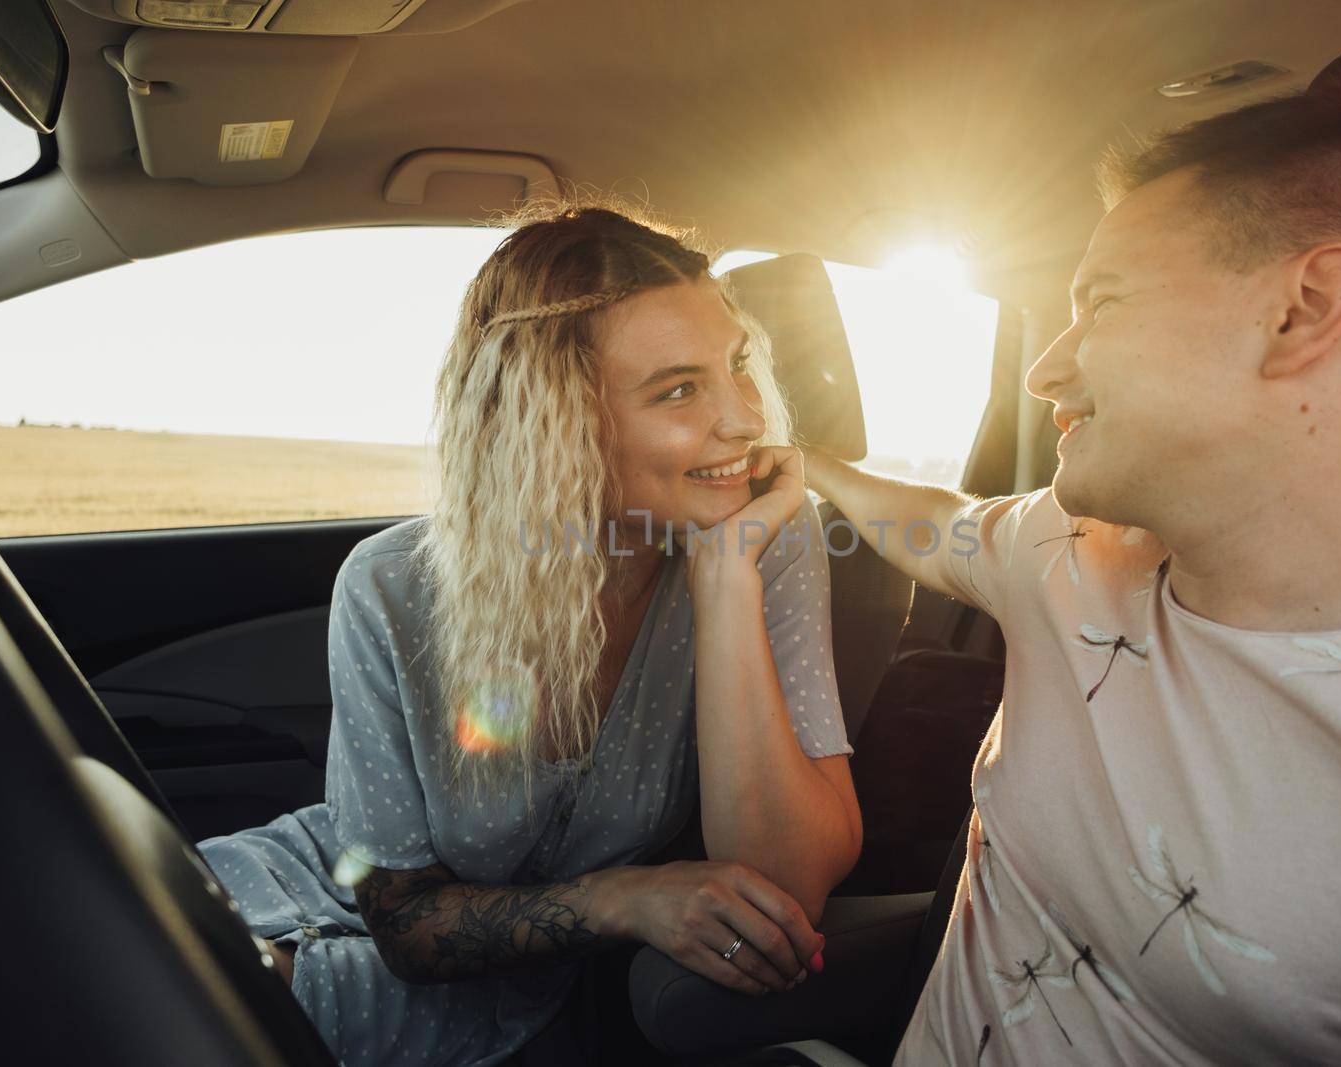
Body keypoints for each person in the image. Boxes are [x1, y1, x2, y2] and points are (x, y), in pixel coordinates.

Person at [806, 89, 1341, 1063]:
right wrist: (801, 462)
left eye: (1101, 302)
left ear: (1302, 309)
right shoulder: (1069, 551)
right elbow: (932, 525)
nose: (1045, 371)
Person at [198, 205, 862, 1066]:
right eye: (679, 389)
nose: (743, 419)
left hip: (513, 981)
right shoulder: (390, 586)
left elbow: (788, 886)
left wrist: (723, 575)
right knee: (116, 950)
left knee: (214, 1013)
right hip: (331, 888)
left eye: (736, 366)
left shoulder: (771, 535)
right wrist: (625, 898)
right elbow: (403, 919)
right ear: (557, 422)